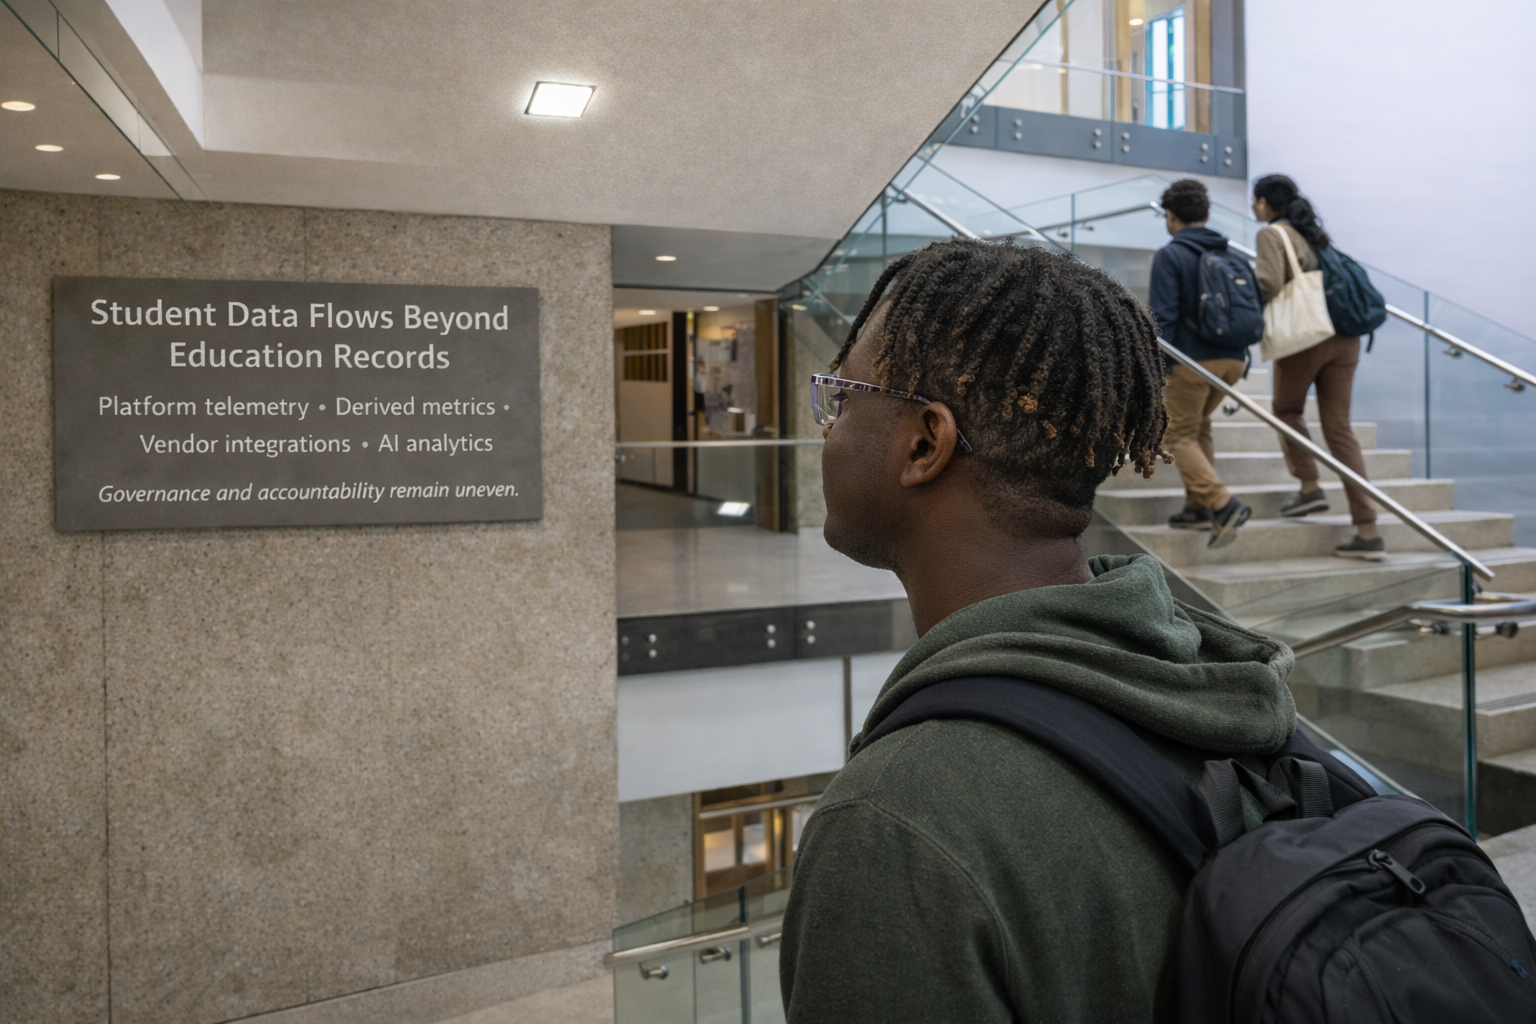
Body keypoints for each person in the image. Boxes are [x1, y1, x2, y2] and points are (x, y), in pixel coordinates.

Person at [784, 240, 1295, 1022]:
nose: (829, 426)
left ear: (926, 442)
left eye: (843, 395)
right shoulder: (1212, 687)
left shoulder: (896, 825)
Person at [1252, 173, 1384, 560]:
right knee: (1339, 428)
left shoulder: (1272, 235)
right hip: (1346, 338)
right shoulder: (1314, 233)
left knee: (1286, 410)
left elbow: (1269, 284)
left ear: (1263, 203)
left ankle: (1309, 488)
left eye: (1254, 200)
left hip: (1307, 336)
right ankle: (1368, 530)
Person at [1148, 178, 1252, 546]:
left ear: (1170, 217)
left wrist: (1157, 368)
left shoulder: (1171, 254)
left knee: (1176, 435)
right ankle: (1198, 508)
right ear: (1207, 214)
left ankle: (1222, 504)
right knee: (1198, 427)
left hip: (1192, 362)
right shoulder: (1234, 255)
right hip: (1234, 361)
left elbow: (1162, 318)